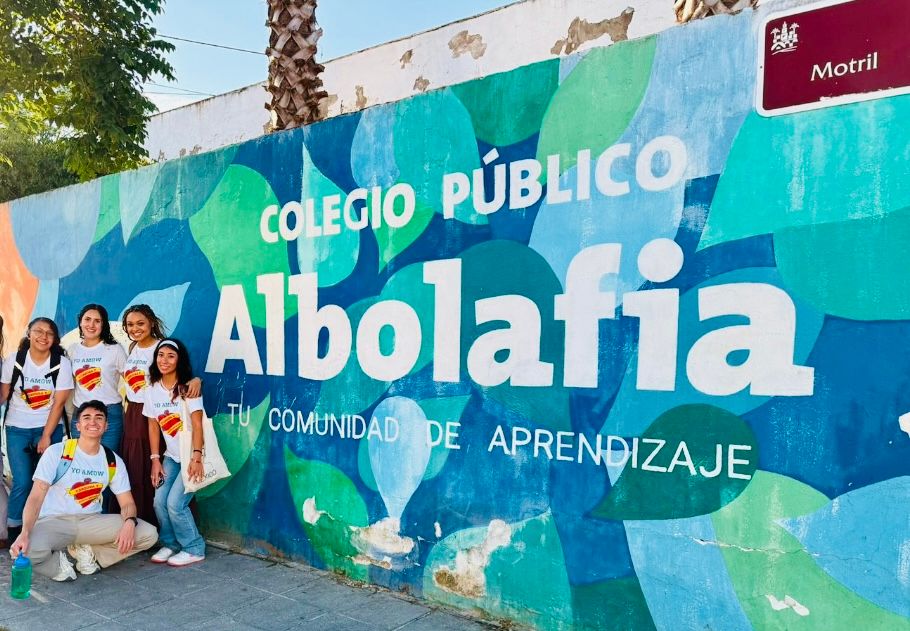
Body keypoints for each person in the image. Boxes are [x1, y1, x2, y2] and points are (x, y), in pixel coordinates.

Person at [9, 400, 157, 581]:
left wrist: (129, 521)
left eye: (99, 418)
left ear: (106, 426)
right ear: (78, 426)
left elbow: (127, 503)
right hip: (55, 521)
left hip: (91, 522)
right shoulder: (57, 452)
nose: (93, 422)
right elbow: (35, 498)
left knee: (148, 534)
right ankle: (60, 566)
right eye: (87, 418)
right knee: (22, 552)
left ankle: (90, 555)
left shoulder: (112, 460)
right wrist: (24, 533)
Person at [120, 305, 200, 526]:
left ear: (152, 323)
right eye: (130, 324)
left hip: (157, 416)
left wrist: (196, 381)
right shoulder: (132, 347)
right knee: (137, 467)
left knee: (157, 468)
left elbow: (181, 374)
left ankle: (166, 527)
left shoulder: (161, 348)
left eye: (140, 323)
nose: (135, 329)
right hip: (134, 412)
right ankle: (141, 522)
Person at [1, 317, 72, 544]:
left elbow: (58, 404)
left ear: (54, 338)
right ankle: (15, 531)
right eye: (38, 331)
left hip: (48, 427)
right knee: (22, 481)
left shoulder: (61, 363)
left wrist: (46, 436)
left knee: (47, 481)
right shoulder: (14, 360)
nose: (43, 337)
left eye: (49, 333)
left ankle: (45, 530)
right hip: (17, 428)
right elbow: (3, 396)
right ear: (28, 333)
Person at [144, 338, 206, 567]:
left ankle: (194, 547)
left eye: (171, 355)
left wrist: (197, 457)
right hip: (170, 456)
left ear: (179, 360)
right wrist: (155, 460)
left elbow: (197, 425)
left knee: (175, 504)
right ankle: (171, 544)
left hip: (192, 456)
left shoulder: (189, 388)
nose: (164, 360)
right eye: (161, 355)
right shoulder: (151, 389)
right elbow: (153, 425)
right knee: (159, 501)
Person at [67, 304, 127, 453]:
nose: (91, 325)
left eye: (97, 321)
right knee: (80, 461)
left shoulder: (114, 349)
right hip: (81, 413)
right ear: (80, 322)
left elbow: (132, 379)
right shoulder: (73, 350)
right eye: (87, 319)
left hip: (110, 413)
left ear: (103, 324)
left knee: (108, 461)